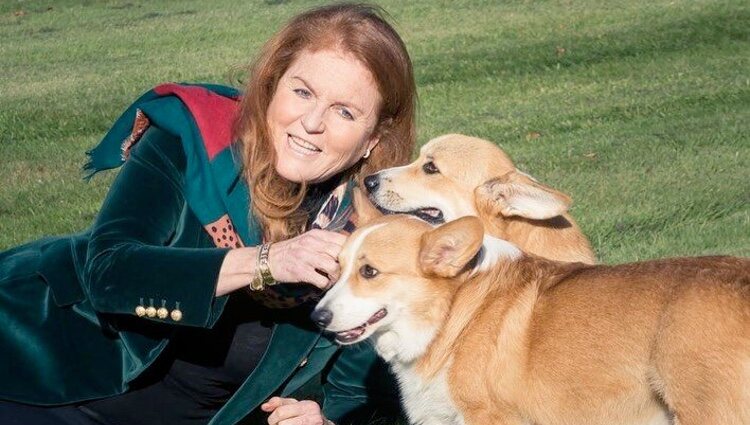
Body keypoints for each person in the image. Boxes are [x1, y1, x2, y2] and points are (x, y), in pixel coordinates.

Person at [0, 3, 416, 425]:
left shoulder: (372, 237)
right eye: (302, 92)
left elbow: (358, 392)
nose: (311, 122)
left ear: (372, 139)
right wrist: (266, 261)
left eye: (344, 112)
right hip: (43, 375)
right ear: (272, 85)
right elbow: (109, 272)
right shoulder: (194, 140)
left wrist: (321, 417)